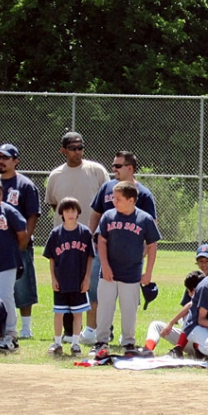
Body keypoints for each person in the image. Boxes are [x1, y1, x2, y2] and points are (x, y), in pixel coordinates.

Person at [44, 132, 109, 342]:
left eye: (80, 147)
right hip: (64, 239)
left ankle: (98, 329)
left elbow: (107, 201)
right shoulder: (55, 175)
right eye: (72, 148)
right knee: (67, 284)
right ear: (63, 150)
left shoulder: (96, 171)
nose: (77, 152)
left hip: (92, 238)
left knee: (93, 285)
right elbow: (56, 205)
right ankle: (69, 333)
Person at [86, 150, 157, 339]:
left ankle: (127, 339)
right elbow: (96, 214)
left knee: (128, 301)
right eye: (113, 166)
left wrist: (140, 254)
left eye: (118, 166)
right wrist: (89, 238)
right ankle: (97, 332)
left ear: (130, 168)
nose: (113, 169)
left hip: (130, 257)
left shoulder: (144, 194)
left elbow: (151, 231)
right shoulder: (107, 187)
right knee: (98, 292)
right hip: (103, 251)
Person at [93, 181, 160, 355]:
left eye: (118, 199)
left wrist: (149, 272)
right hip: (108, 273)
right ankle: (101, 341)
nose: (114, 202)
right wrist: (105, 265)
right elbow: (101, 241)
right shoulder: (108, 216)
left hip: (131, 273)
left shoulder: (144, 219)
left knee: (129, 310)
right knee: (105, 308)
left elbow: (152, 245)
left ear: (131, 200)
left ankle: (128, 343)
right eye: (114, 198)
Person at [0, 143, 41, 340]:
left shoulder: (24, 184)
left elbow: (32, 215)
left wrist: (24, 239)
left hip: (19, 243)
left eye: (6, 157)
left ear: (15, 161)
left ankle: (25, 328)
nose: (1, 161)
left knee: (22, 286)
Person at [43, 198, 93, 355]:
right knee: (59, 313)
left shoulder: (84, 233)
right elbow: (51, 258)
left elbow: (90, 257)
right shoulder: (56, 234)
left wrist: (87, 278)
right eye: (66, 211)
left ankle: (76, 343)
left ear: (78, 212)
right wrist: (53, 278)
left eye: (73, 211)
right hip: (61, 280)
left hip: (78, 281)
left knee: (78, 313)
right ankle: (57, 343)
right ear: (61, 214)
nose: (70, 214)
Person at [0, 176, 28, 351]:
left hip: (7, 261)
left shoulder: (7, 211)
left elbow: (22, 232)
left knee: (5, 295)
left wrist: (15, 250)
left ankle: (10, 334)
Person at [142, 270, 204, 354]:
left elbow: (191, 305)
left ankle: (189, 350)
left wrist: (171, 323)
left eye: (188, 291)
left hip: (203, 344)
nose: (189, 294)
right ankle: (147, 350)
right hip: (195, 341)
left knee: (188, 316)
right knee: (156, 325)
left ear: (193, 290)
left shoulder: (205, 299)